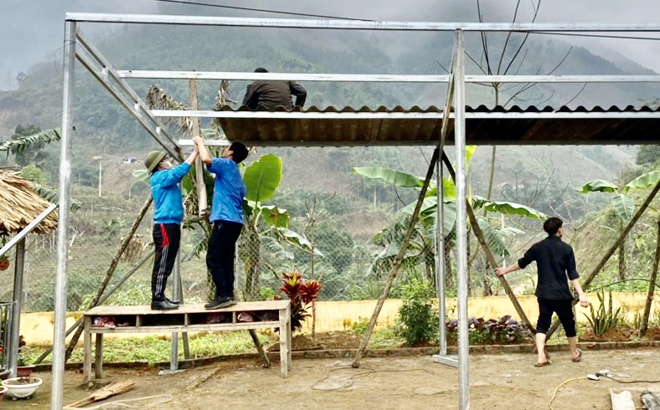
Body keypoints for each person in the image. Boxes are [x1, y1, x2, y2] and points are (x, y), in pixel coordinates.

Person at [495, 217, 589, 367]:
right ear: (559, 230)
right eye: (562, 228)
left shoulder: (538, 247)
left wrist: (505, 270)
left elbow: (522, 262)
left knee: (542, 324)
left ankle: (540, 357)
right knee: (568, 323)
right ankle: (574, 353)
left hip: (544, 294)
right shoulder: (566, 249)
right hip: (561, 294)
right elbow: (572, 274)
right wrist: (581, 294)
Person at [193, 136, 249, 309]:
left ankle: (223, 295)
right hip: (234, 221)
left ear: (231, 153)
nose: (224, 150)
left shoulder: (226, 165)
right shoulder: (236, 175)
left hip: (225, 220)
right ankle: (228, 294)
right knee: (225, 259)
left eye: (227, 148)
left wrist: (200, 142)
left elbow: (206, 159)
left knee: (213, 258)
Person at [145, 147, 198, 310]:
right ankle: (157, 298)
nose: (168, 161)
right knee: (163, 261)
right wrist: (194, 153)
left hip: (172, 223)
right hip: (165, 225)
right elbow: (178, 173)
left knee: (167, 261)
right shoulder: (160, 177)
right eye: (165, 159)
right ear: (159, 165)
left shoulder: (162, 177)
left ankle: (161, 297)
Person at [242, 67, 307, 110]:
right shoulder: (284, 79)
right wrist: (297, 109)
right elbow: (302, 92)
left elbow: (245, 105)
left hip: (265, 113)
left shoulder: (255, 83)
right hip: (287, 112)